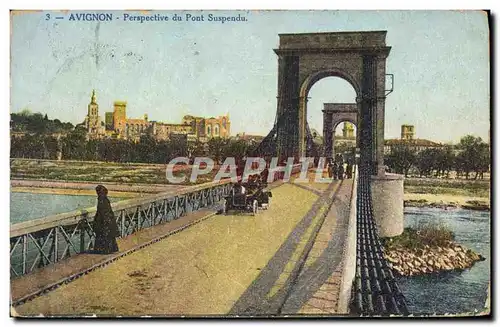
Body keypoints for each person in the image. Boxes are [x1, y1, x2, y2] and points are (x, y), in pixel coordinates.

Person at [92, 185, 119, 254]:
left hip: (104, 221)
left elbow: (101, 211)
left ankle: (104, 250)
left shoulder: (101, 199)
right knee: (109, 237)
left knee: (103, 236)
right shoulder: (105, 198)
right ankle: (110, 249)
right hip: (109, 219)